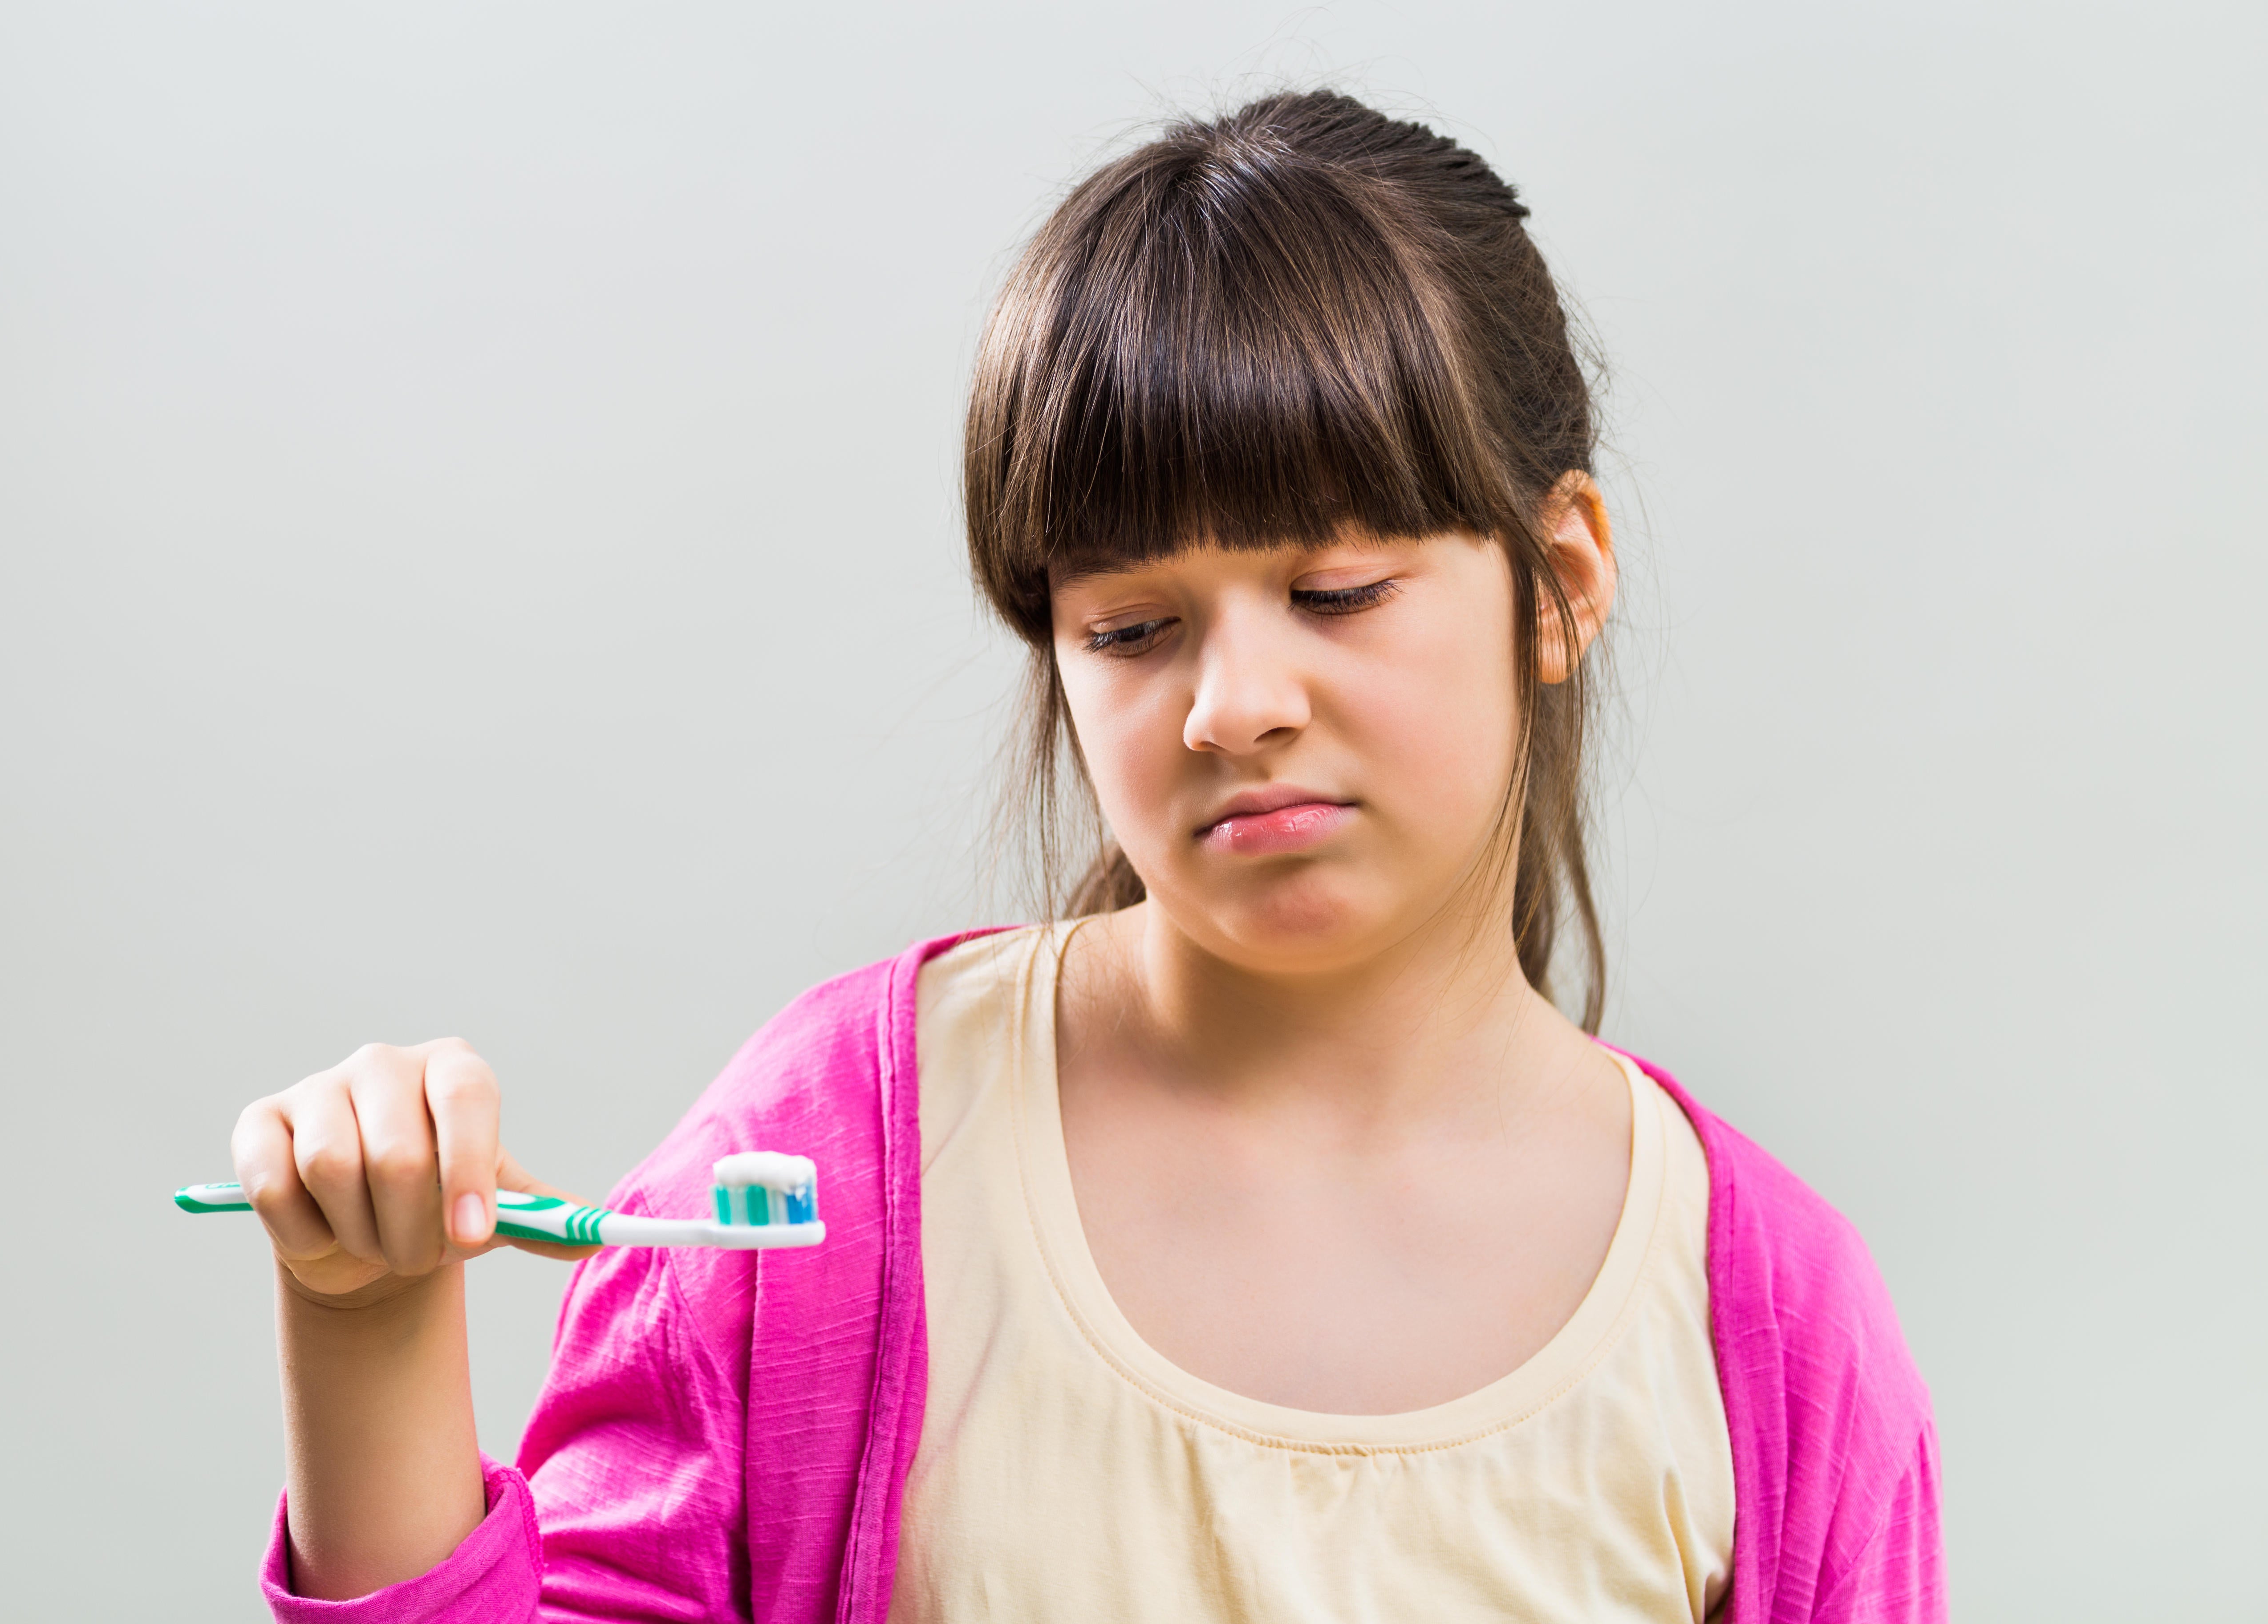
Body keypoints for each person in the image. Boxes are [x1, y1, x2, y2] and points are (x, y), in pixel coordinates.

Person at [230, 91, 1943, 1623]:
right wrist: (368, 1324)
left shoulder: (1773, 1331)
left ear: (1561, 578)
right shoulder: (837, 1158)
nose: (1235, 705)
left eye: (1337, 592)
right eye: (1132, 626)